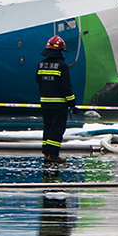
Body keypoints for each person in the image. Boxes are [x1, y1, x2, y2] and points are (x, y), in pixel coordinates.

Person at [36, 36, 77, 165]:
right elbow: (65, 86)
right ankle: (53, 154)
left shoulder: (41, 64)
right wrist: (72, 104)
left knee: (47, 127)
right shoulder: (62, 65)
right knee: (57, 128)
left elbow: (38, 80)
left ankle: (46, 151)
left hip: (45, 103)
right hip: (59, 104)